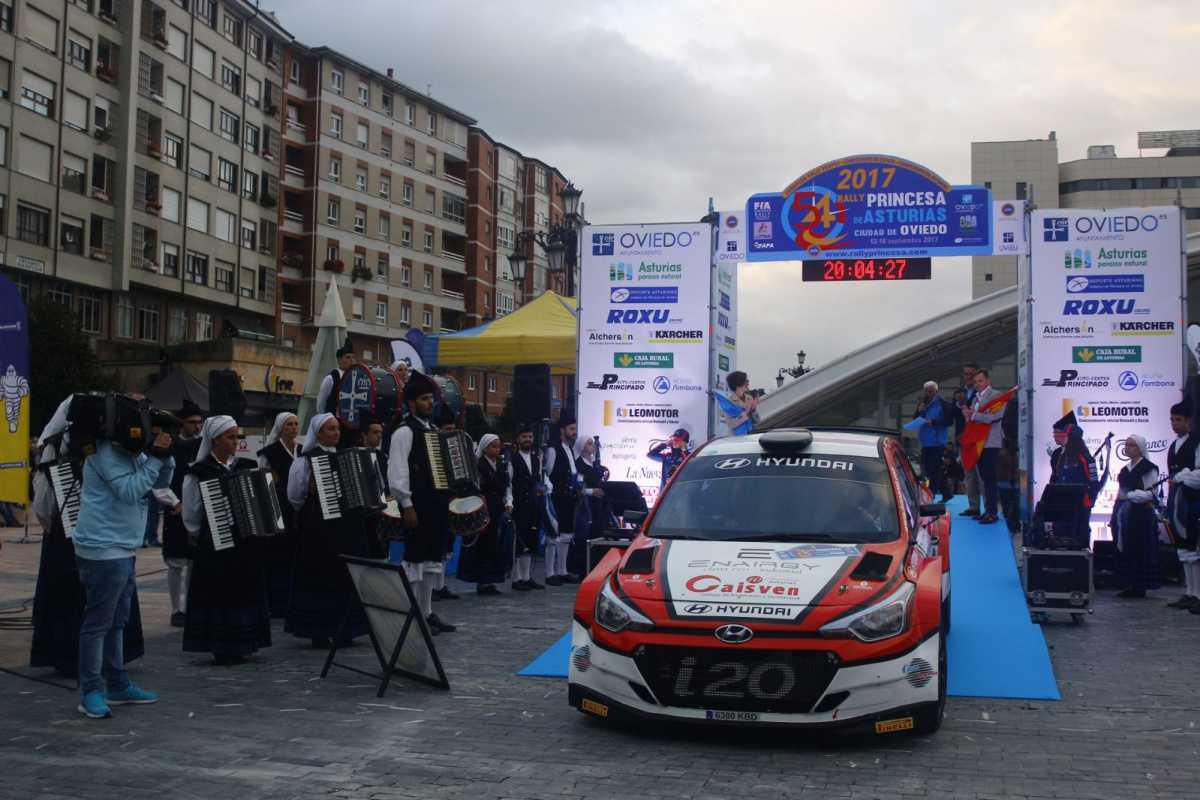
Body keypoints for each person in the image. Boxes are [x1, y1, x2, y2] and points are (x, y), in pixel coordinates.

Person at [29, 396, 147, 678]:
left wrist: (53, 527)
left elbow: (43, 502)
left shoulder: (56, 446)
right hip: (106, 533)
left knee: (75, 599)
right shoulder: (113, 444)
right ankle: (110, 662)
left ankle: (71, 658)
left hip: (68, 536)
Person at [71, 398, 174, 719]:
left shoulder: (130, 452)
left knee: (117, 621)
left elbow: (159, 483)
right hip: (102, 548)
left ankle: (116, 683)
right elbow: (131, 490)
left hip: (122, 547)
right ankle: (91, 691)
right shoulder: (104, 454)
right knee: (97, 624)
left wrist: (164, 455)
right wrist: (155, 458)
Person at [182, 416, 271, 666]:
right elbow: (191, 515)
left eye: (236, 436)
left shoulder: (246, 466)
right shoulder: (198, 472)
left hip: (246, 545)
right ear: (215, 440)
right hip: (215, 547)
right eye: (230, 437)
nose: (235, 441)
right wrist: (209, 533)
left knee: (245, 592)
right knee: (220, 595)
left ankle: (246, 643)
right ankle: (221, 646)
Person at [286, 413, 371, 647]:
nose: (336, 433)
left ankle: (347, 628)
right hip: (319, 529)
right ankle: (320, 631)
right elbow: (295, 497)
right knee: (321, 575)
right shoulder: (305, 461)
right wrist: (312, 492)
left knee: (346, 575)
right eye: (331, 429)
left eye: (337, 428)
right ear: (318, 433)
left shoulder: (348, 457)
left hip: (348, 527)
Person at [387, 373, 456, 633]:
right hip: (417, 503)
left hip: (436, 504)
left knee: (432, 560)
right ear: (411, 403)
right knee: (415, 559)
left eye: (430, 399)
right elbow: (397, 471)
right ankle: (413, 615)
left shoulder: (433, 431)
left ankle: (426, 612)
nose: (429, 403)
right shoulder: (404, 432)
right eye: (424, 399)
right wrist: (406, 504)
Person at [161, 401, 204, 627]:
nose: (197, 427)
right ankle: (176, 609)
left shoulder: (203, 447)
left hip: (197, 511)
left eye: (200, 422)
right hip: (175, 512)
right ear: (182, 424)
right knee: (176, 562)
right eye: (192, 422)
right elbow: (158, 481)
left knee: (194, 562)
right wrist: (175, 503)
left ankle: (190, 606)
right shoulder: (170, 446)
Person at [457, 433, 513, 595]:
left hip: (498, 508)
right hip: (483, 509)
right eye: (493, 446)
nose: (497, 449)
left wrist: (508, 502)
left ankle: (492, 580)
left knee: (495, 545)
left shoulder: (502, 464)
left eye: (498, 446)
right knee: (483, 545)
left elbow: (507, 486)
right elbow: (475, 487)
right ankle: (482, 581)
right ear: (485, 448)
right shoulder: (478, 465)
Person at [257, 411, 300, 618]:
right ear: (281, 428)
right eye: (289, 424)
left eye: (296, 424)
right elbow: (264, 484)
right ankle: (276, 603)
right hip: (278, 509)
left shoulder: (302, 450)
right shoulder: (269, 453)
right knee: (277, 557)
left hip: (298, 511)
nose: (293, 428)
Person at [1111, 434, 1161, 599]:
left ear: (1140, 448)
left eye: (1131, 445)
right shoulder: (1124, 470)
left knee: (1140, 548)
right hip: (1125, 514)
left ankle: (1139, 586)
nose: (1127, 448)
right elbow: (1121, 493)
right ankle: (1128, 584)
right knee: (1126, 548)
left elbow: (1151, 493)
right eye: (1126, 445)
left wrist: (1130, 496)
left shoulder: (1148, 468)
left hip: (1141, 515)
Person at [1163, 402, 1200, 610]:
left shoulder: (1196, 442)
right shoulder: (1173, 446)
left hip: (1193, 501)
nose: (1174, 424)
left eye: (1178, 420)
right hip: (1177, 501)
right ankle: (1189, 592)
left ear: (1189, 421)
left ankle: (1198, 594)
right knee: (1183, 548)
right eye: (1172, 420)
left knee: (1193, 548)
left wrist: (1182, 477)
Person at [1046, 423, 1099, 547]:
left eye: (1065, 435)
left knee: (1078, 536)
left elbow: (1094, 482)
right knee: (1060, 535)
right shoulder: (1060, 455)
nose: (1062, 437)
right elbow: (1055, 478)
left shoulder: (1085, 457)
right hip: (1061, 504)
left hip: (1080, 505)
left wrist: (1090, 500)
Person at [544, 410, 581, 586]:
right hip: (556, 497)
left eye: (575, 429)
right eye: (571, 429)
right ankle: (549, 573)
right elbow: (547, 473)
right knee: (553, 535)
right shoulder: (553, 449)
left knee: (566, 534)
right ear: (562, 430)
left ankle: (562, 571)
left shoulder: (570, 449)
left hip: (569, 497)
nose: (574, 432)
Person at [508, 423, 545, 592]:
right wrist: (509, 503)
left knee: (530, 540)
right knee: (519, 542)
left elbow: (538, 480)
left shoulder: (536, 459)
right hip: (518, 505)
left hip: (533, 505)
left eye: (530, 437)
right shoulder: (512, 459)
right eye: (524, 437)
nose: (528, 440)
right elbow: (509, 483)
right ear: (518, 439)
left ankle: (527, 577)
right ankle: (516, 579)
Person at [966, 369, 1006, 524]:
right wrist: (968, 415)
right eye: (975, 382)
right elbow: (975, 419)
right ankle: (988, 510)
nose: (977, 384)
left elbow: (995, 416)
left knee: (989, 478)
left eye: (980, 381)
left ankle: (992, 512)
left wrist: (974, 415)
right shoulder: (975, 398)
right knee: (984, 477)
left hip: (990, 442)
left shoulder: (996, 396)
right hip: (978, 442)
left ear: (988, 381)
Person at [572, 434, 611, 575]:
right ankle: (583, 569)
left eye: (592, 443)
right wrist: (591, 491)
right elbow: (577, 487)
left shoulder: (594, 463)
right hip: (586, 505)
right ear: (582, 446)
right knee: (586, 536)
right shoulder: (578, 464)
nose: (592, 446)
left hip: (598, 505)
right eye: (589, 443)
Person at [913, 381, 949, 499]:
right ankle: (947, 492)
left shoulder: (942, 404)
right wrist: (919, 411)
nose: (928, 393)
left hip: (937, 441)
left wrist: (933, 422)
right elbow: (915, 418)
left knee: (933, 469)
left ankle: (932, 494)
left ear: (936, 391)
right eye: (927, 391)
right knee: (930, 468)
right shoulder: (923, 404)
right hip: (925, 441)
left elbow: (947, 421)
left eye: (931, 391)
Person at [958, 364, 982, 517]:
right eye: (965, 374)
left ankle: (988, 509)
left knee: (981, 473)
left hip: (978, 437)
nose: (968, 377)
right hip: (964, 437)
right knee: (969, 473)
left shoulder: (980, 393)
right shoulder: (960, 393)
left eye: (971, 374)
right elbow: (954, 415)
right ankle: (973, 506)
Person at [316, 343, 357, 416]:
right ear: (339, 360)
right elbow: (321, 403)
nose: (352, 360)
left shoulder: (355, 377)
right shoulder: (331, 378)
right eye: (348, 357)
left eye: (353, 357)